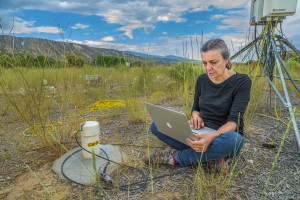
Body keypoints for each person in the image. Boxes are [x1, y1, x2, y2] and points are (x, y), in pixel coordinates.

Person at [144, 39, 252, 168]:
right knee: (156, 125)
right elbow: (195, 107)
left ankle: (176, 157)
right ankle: (212, 158)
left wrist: (212, 137)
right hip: (199, 132)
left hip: (221, 135)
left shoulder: (242, 82)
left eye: (213, 62)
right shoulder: (202, 79)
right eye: (204, 63)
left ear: (226, 60)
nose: (208, 68)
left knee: (235, 141)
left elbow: (234, 122)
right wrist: (195, 116)